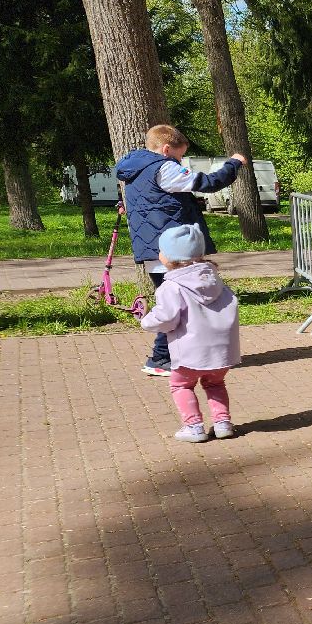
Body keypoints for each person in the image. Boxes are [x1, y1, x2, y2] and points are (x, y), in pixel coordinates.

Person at [116, 125, 247, 378]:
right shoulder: (164, 167)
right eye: (178, 156)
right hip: (173, 249)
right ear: (166, 150)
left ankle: (170, 355)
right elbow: (208, 183)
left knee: (175, 304)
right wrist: (234, 164)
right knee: (180, 307)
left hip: (155, 248)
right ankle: (162, 358)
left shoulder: (136, 169)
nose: (180, 162)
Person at [138, 224, 241, 443]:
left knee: (181, 385)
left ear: (170, 258)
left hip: (190, 352)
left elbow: (166, 318)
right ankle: (223, 423)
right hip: (222, 352)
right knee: (215, 384)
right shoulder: (215, 280)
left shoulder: (172, 286)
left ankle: (193, 426)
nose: (160, 255)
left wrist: (146, 321)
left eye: (162, 251)